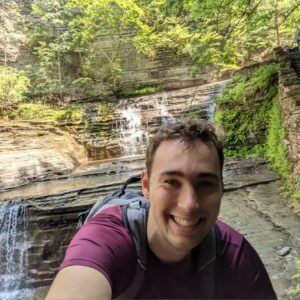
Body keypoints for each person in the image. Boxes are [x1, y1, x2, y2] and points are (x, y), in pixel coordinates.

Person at [46, 119, 277, 299]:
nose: (189, 204)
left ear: (222, 188)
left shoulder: (234, 255)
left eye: (205, 184)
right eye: (171, 182)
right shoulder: (106, 237)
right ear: (146, 186)